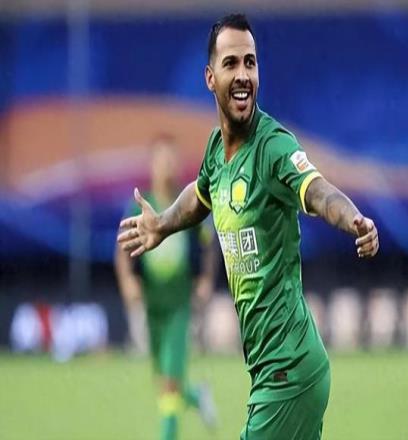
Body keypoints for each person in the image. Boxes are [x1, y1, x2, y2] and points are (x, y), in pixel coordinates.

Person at [117, 13, 379, 440]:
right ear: (210, 78)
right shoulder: (216, 150)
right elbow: (200, 195)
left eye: (250, 63)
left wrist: (353, 219)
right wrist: (162, 224)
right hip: (274, 372)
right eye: (231, 63)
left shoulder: (273, 146)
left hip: (288, 373)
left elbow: (317, 190)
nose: (243, 75)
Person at [114, 135, 217, 440]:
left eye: (172, 160)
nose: (167, 166)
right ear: (152, 165)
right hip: (151, 303)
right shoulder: (141, 205)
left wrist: (205, 281)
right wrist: (128, 281)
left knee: (170, 383)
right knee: (165, 382)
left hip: (179, 304)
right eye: (162, 160)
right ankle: (197, 396)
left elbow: (208, 244)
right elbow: (121, 249)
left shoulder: (188, 205)